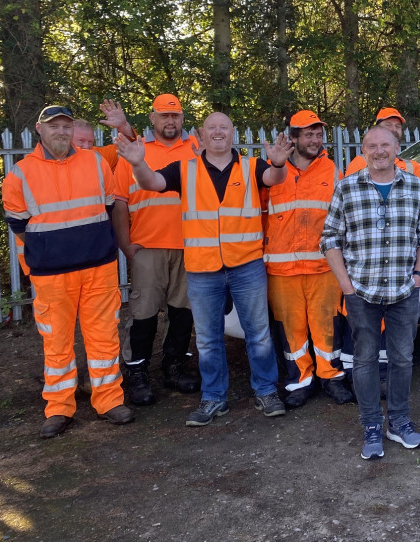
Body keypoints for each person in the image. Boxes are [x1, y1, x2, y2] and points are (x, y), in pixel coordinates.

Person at [116, 112, 292, 426]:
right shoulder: (184, 169)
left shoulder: (252, 166)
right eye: (212, 127)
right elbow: (151, 183)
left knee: (259, 335)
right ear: (201, 134)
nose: (218, 132)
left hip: (246, 265)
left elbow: (274, 180)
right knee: (208, 340)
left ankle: (266, 392)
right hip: (202, 269)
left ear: (233, 133)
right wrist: (138, 163)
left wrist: (278, 163)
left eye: (224, 127)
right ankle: (214, 398)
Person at [3, 105, 135, 438]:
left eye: (65, 126)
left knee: (104, 337)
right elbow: (18, 224)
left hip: (98, 269)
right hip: (51, 275)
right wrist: (49, 251)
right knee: (56, 342)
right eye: (53, 127)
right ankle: (59, 407)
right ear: (39, 129)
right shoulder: (20, 173)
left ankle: (108, 401)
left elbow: (106, 206)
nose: (60, 132)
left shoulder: (95, 162)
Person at [322, 125, 420, 460]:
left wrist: (418, 276)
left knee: (402, 358)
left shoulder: (413, 185)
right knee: (365, 359)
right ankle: (372, 424)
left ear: (396, 148)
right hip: (362, 293)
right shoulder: (347, 188)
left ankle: (398, 422)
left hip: (404, 292)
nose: (378, 151)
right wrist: (347, 286)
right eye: (371, 146)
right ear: (363, 150)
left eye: (385, 145)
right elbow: (330, 239)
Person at [113, 94, 200, 406]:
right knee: (143, 314)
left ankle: (174, 366)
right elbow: (120, 203)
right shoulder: (135, 151)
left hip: (189, 244)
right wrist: (126, 245)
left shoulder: (195, 148)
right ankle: (136, 372)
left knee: (182, 313)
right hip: (147, 246)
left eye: (175, 116)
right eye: (164, 116)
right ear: (152, 118)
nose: (170, 121)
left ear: (182, 118)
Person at [263, 110, 354, 408]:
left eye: (318, 134)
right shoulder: (272, 171)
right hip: (281, 268)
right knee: (291, 328)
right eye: (308, 134)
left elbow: (343, 218)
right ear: (293, 138)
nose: (315, 140)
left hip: (323, 266)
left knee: (327, 325)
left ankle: (331, 378)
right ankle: (299, 381)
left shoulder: (331, 171)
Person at [343, 107, 420, 192]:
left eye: (397, 126)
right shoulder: (360, 163)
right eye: (388, 125)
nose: (393, 129)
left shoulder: (410, 167)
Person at [71, 99, 138, 169]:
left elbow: (128, 146)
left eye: (90, 142)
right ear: (67, 139)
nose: (86, 146)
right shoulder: (58, 159)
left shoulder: (100, 156)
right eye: (81, 140)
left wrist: (123, 126)